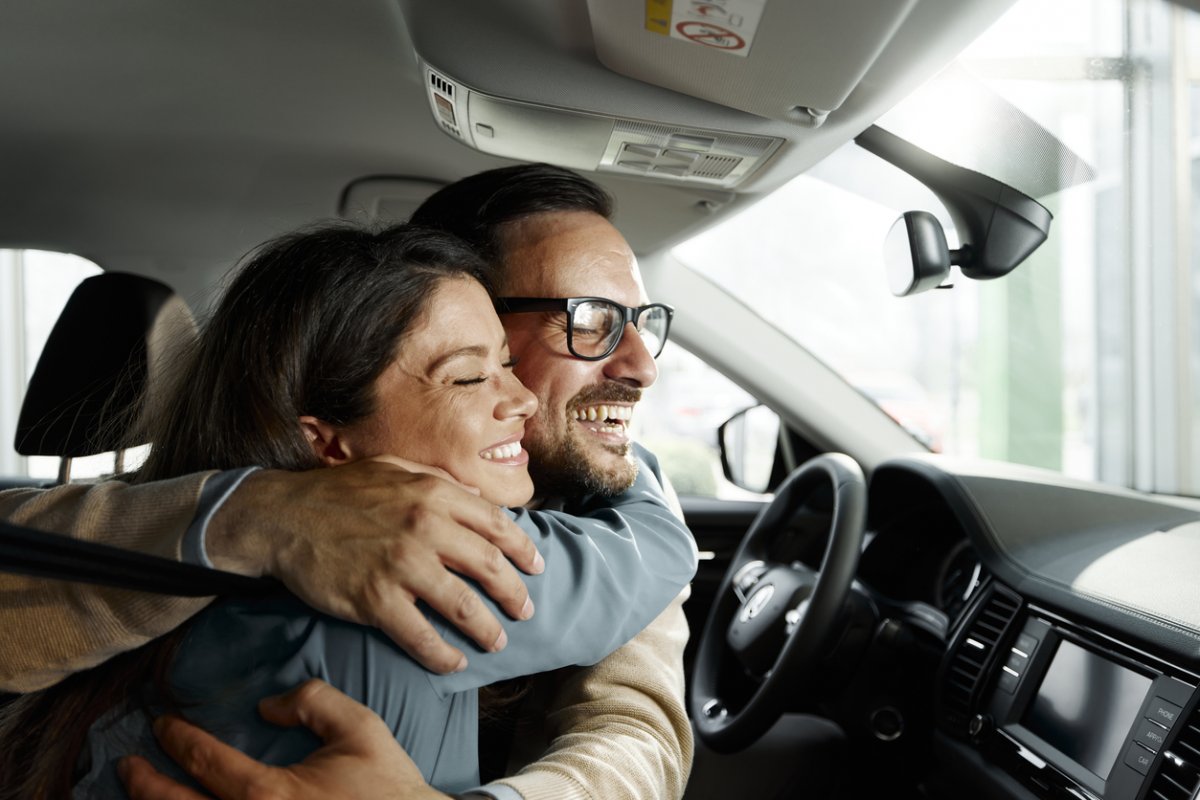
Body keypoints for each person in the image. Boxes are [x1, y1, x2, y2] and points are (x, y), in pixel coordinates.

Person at [0, 163, 694, 800]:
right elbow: (658, 552)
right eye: (591, 322)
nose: (641, 364)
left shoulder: (583, 498)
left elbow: (633, 731)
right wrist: (259, 516)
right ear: (327, 440)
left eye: (639, 323)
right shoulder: (401, 567)